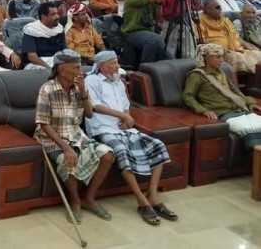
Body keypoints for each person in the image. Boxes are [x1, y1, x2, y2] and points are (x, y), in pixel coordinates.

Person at [85, 51, 177, 226]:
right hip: (102, 129)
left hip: (122, 129)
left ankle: (152, 194)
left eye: (116, 62)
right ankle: (141, 201)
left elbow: (126, 106)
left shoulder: (118, 82)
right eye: (113, 63)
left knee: (157, 145)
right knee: (121, 151)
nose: (117, 66)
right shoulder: (91, 80)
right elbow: (94, 106)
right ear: (102, 66)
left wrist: (127, 119)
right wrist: (123, 116)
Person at [34, 49, 115, 225]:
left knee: (108, 155)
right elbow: (43, 124)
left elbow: (89, 114)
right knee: (68, 160)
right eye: (76, 68)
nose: (80, 71)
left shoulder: (78, 88)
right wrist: (66, 148)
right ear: (62, 69)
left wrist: (83, 92)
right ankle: (75, 200)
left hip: (76, 134)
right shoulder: (47, 89)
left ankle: (89, 197)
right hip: (52, 139)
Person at [184, 44, 261, 150]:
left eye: (222, 56)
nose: (222, 60)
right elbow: (188, 96)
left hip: (239, 110)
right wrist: (203, 110)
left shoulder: (221, 73)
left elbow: (234, 91)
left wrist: (250, 102)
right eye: (218, 57)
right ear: (207, 58)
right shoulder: (197, 76)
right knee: (247, 130)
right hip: (223, 113)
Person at [121, 0, 184, 65]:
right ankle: (145, 67)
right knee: (154, 39)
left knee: (168, 57)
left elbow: (158, 15)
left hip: (148, 32)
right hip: (132, 32)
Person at [198, 0, 261, 75]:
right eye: (217, 7)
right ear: (208, 9)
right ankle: (239, 80)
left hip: (237, 49)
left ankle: (254, 81)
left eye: (220, 7)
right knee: (238, 57)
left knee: (258, 54)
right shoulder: (199, 22)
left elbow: (236, 37)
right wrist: (218, 47)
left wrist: (248, 45)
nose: (220, 9)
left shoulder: (225, 21)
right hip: (219, 52)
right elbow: (200, 39)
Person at [22, 2, 67, 69]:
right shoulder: (31, 30)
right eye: (53, 14)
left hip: (57, 61)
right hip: (38, 64)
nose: (57, 17)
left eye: (57, 13)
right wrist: (49, 68)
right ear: (44, 17)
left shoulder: (59, 29)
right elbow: (32, 57)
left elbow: (65, 50)